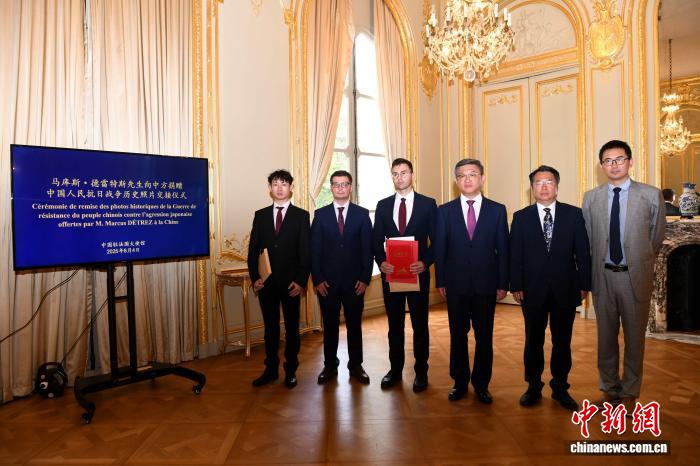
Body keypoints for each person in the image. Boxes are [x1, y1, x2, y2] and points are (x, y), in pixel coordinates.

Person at [582, 140, 665, 412]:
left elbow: (655, 238)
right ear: (602, 166)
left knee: (634, 339)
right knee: (605, 338)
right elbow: (588, 239)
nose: (614, 165)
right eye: (608, 161)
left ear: (630, 161)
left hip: (634, 278)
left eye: (619, 159)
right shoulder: (591, 198)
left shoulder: (651, 195)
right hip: (603, 277)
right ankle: (609, 388)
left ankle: (629, 392)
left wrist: (638, 260)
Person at [510, 165, 591, 411]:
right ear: (532, 188)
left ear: (556, 186)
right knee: (532, 341)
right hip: (531, 290)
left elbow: (583, 253)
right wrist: (516, 285)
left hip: (565, 289)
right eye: (538, 182)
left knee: (562, 342)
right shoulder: (521, 217)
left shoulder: (574, 214)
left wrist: (584, 284)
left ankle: (560, 387)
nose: (544, 187)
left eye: (548, 182)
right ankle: (533, 387)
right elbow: (515, 255)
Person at [435, 158, 509, 403]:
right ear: (456, 181)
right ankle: (459, 382)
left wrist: (503, 282)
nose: (467, 179)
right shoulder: (444, 211)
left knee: (484, 336)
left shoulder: (497, 210)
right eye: (462, 175)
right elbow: (440, 249)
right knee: (457, 335)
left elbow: (503, 249)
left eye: (472, 174)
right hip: (455, 284)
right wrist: (441, 281)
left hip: (486, 284)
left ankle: (481, 384)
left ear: (482, 178)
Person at [373, 158, 438, 393]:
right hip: (392, 276)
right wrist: (381, 262)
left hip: (417, 274)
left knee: (420, 325)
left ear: (412, 174)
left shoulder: (428, 204)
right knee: (394, 325)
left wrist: (425, 262)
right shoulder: (382, 205)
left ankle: (421, 372)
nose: (399, 177)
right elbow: (375, 241)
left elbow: (437, 241)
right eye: (395, 173)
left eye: (403, 172)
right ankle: (395, 370)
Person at [247, 169, 310, 388]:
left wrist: (301, 281)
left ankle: (291, 369)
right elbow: (253, 250)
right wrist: (255, 277)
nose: (280, 188)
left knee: (292, 329)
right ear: (270, 188)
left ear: (291, 188)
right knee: (270, 329)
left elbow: (306, 252)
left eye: (284, 184)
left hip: (292, 284)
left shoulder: (301, 216)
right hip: (267, 284)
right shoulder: (261, 215)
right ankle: (271, 369)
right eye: (275, 184)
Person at [311, 170, 373, 385]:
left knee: (354, 325)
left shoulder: (362, 214)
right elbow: (314, 250)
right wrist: (317, 279)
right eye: (336, 184)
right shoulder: (320, 215)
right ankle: (330, 365)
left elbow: (368, 250)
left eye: (344, 184)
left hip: (355, 283)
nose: (340, 188)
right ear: (331, 187)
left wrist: (365, 278)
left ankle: (356, 365)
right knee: (330, 326)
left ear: (350, 188)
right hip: (326, 283)